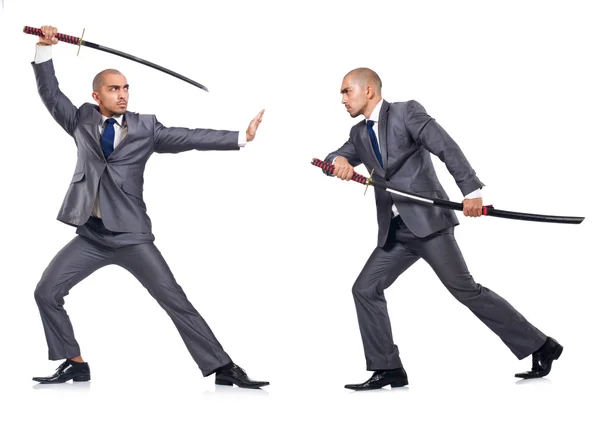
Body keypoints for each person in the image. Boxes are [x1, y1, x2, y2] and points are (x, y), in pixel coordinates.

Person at [30, 25, 268, 389]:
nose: (123, 94)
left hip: (132, 236)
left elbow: (189, 138)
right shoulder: (81, 119)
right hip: (91, 235)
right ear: (97, 95)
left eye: (126, 88)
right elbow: (50, 93)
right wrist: (45, 49)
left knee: (175, 301)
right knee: (46, 292)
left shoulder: (146, 128)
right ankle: (74, 363)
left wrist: (241, 138)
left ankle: (224, 367)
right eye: (114, 88)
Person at [323, 67, 562, 390]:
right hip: (396, 232)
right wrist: (337, 160)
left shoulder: (406, 112)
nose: (342, 100)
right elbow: (337, 157)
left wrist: (471, 192)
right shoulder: (359, 134)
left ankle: (541, 345)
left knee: (466, 291)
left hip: (429, 224)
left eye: (345, 92)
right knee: (365, 288)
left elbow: (445, 146)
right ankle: (387, 367)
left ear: (368, 91)